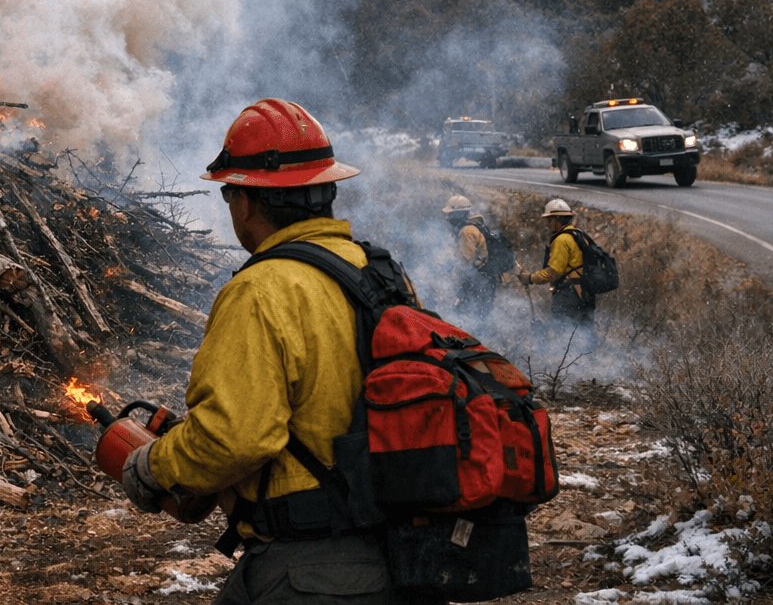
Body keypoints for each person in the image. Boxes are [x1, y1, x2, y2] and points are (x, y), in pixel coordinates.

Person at [116, 98, 394, 605]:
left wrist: (153, 466)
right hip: (394, 552)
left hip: (308, 569)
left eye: (229, 196)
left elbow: (236, 438)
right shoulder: (374, 271)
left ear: (244, 200)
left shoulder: (262, 289)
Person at [518, 198, 595, 351]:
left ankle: (564, 367)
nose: (548, 225)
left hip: (569, 294)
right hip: (586, 293)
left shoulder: (561, 239)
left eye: (549, 220)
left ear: (556, 220)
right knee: (585, 333)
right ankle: (589, 365)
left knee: (562, 334)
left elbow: (553, 273)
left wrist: (530, 278)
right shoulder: (579, 235)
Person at [441, 194, 498, 318]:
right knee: (478, 315)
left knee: (466, 315)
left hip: (478, 283)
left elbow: (467, 264)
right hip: (483, 282)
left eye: (451, 214)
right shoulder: (472, 228)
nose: (448, 218)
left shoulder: (466, 232)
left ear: (459, 214)